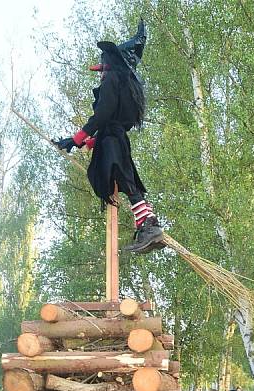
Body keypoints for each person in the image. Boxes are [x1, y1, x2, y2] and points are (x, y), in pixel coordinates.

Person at [54, 20, 166, 255]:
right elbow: (115, 119)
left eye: (104, 61)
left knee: (124, 179)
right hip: (117, 138)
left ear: (111, 62)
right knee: (128, 181)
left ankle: (148, 225)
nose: (101, 67)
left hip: (112, 141)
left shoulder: (113, 79)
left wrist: (77, 138)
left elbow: (104, 114)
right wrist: (90, 141)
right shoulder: (128, 86)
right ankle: (149, 223)